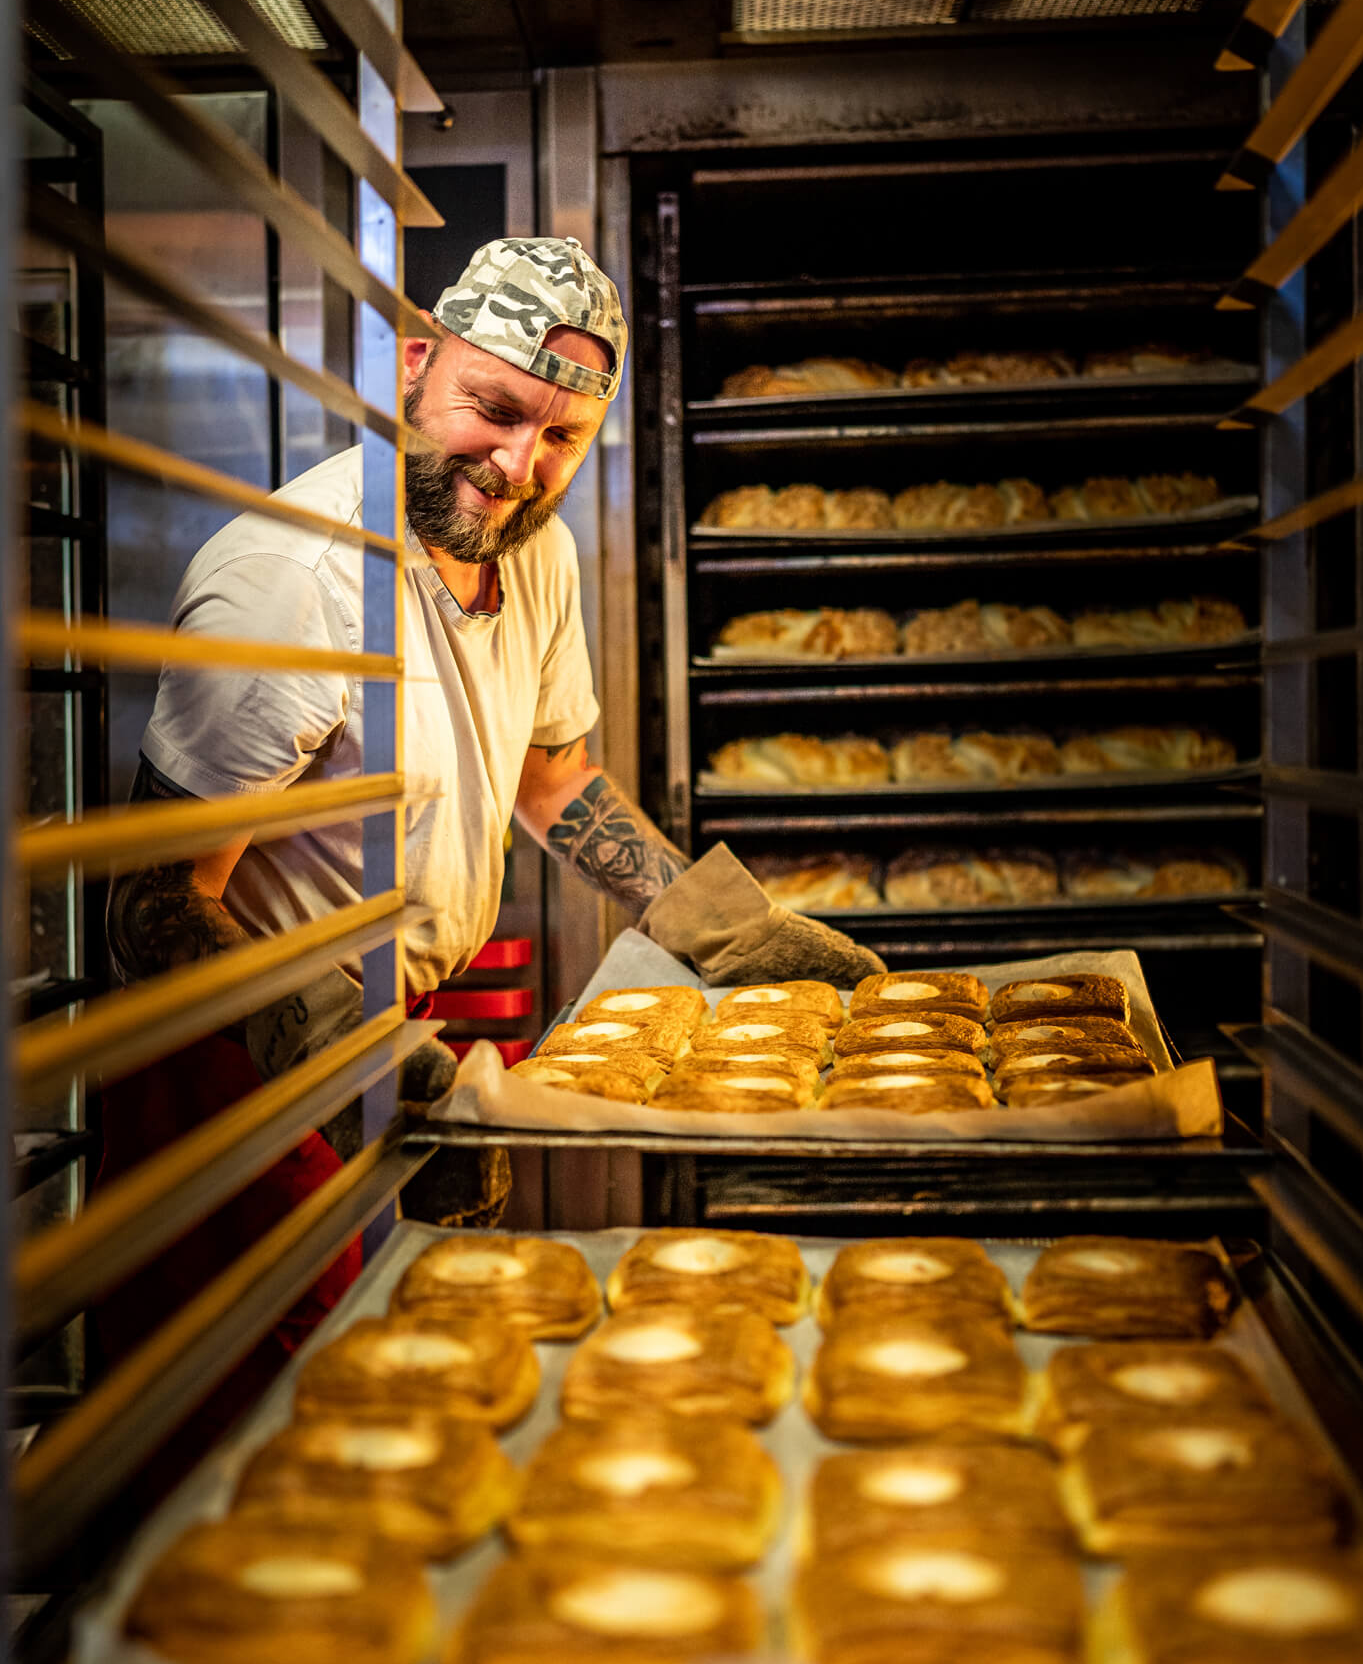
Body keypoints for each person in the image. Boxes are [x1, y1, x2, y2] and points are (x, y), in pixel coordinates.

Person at [98, 235, 881, 1390]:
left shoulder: (535, 553)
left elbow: (551, 780)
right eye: (496, 410)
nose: (519, 465)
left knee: (406, 1391)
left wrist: (721, 925)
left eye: (561, 437)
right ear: (416, 366)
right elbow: (152, 908)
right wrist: (362, 1078)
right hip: (236, 1078)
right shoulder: (296, 581)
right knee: (258, 1420)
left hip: (401, 1028)